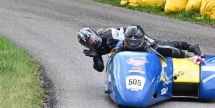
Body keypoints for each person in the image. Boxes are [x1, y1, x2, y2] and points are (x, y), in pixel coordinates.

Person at [77, 26, 205, 72]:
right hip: (126, 48)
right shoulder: (94, 50)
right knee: (160, 43)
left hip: (133, 38)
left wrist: (134, 43)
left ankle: (189, 50)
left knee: (158, 47)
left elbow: (124, 42)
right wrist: (95, 58)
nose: (92, 41)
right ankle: (189, 46)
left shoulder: (108, 34)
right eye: (88, 42)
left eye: (92, 37)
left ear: (95, 33)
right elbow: (100, 69)